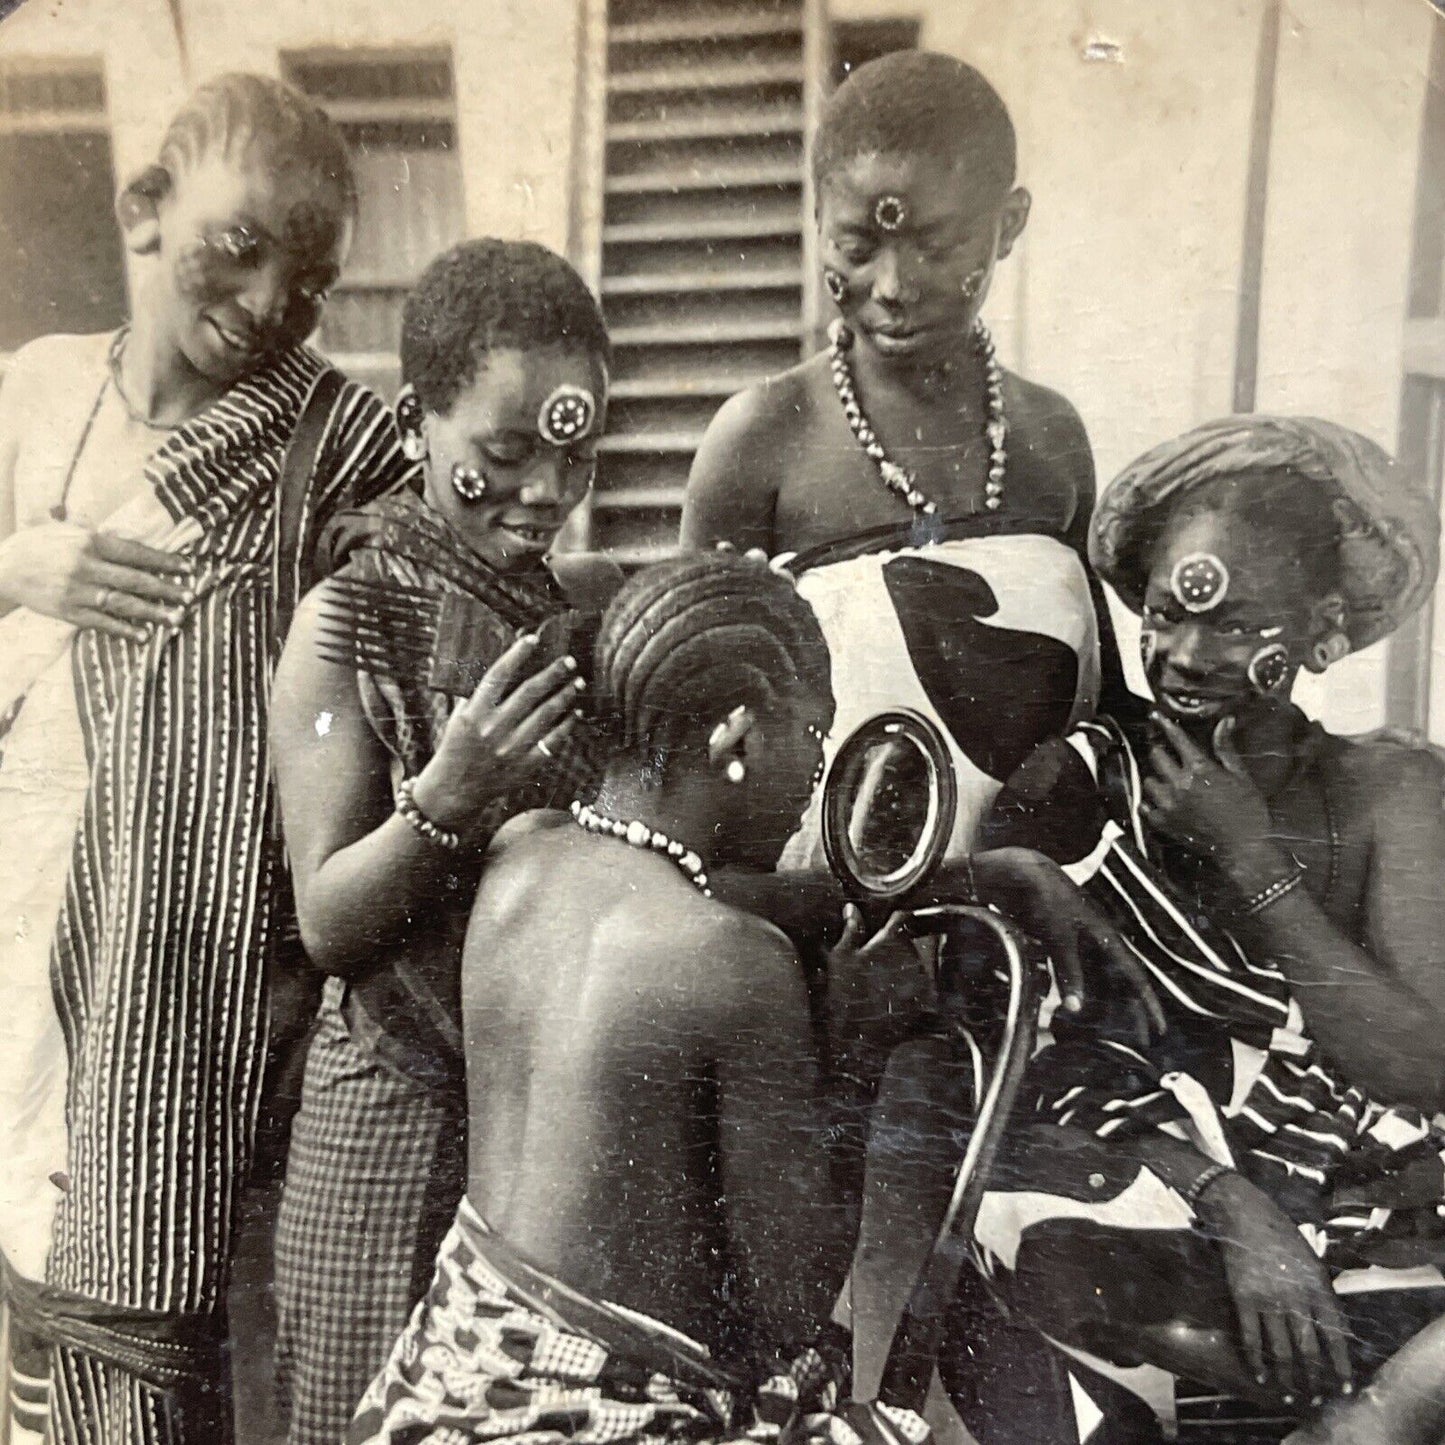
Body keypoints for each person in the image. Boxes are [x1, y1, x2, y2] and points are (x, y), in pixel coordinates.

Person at [0, 74, 415, 1445]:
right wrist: (23, 566)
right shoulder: (39, 388)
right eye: (238, 247)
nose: (265, 301)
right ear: (144, 207)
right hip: (25, 889)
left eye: (308, 282)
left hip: (198, 932)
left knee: (170, 1285)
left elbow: (426, 578)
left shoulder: (335, 440)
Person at [347, 551, 935, 1445]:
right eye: (814, 739)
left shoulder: (524, 851)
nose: (816, 778)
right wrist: (859, 1051)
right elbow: (789, 1305)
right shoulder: (735, 961)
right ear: (734, 737)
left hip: (439, 1392)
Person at [970, 416, 1445, 1443]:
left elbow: (1421, 1066)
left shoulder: (1386, 788)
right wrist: (1234, 1206)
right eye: (1165, 615)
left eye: (1233, 626)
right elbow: (1023, 1074)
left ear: (1320, 630)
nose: (1182, 655)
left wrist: (1249, 861)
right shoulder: (1075, 784)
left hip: (1382, 1209)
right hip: (1161, 1206)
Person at [268, 238, 618, 1445]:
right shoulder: (347, 615)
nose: (543, 490)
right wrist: (447, 796)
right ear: (418, 423)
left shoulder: (573, 618)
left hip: (537, 1124)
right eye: (503, 455)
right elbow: (327, 919)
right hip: (390, 1103)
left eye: (574, 452)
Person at [683, 50, 1132, 869]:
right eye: (855, 245)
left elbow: (1101, 702)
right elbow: (687, 738)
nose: (891, 284)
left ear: (1011, 222)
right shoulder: (760, 437)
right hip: (820, 924)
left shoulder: (1050, 437)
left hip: (1035, 907)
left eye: (935, 244)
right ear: (815, 217)